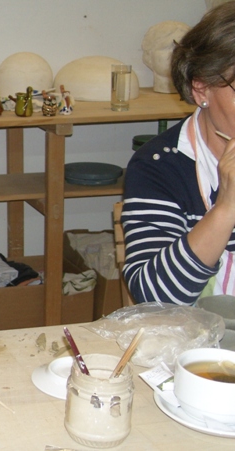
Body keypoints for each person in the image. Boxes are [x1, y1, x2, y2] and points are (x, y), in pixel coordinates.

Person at [122, 2, 235, 305]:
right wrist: (226, 208)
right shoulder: (160, 166)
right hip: (199, 333)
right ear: (201, 89)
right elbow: (155, 297)